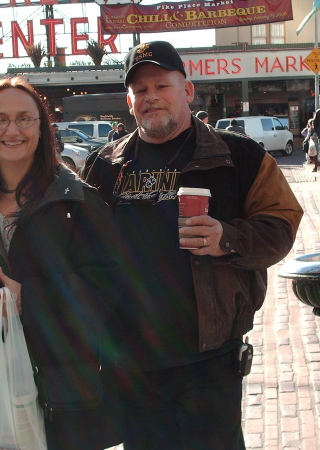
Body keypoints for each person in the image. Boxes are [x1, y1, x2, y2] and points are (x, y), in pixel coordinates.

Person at [81, 41, 303, 449]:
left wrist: (227, 239)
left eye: (161, 86)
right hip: (131, 363)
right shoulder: (104, 166)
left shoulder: (238, 155)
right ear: (130, 101)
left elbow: (282, 223)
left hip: (209, 358)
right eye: (140, 90)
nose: (151, 98)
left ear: (187, 90)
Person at [0, 77, 124, 450]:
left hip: (66, 398)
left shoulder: (76, 202)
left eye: (24, 119)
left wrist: (29, 299)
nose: (11, 130)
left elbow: (110, 289)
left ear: (42, 127)